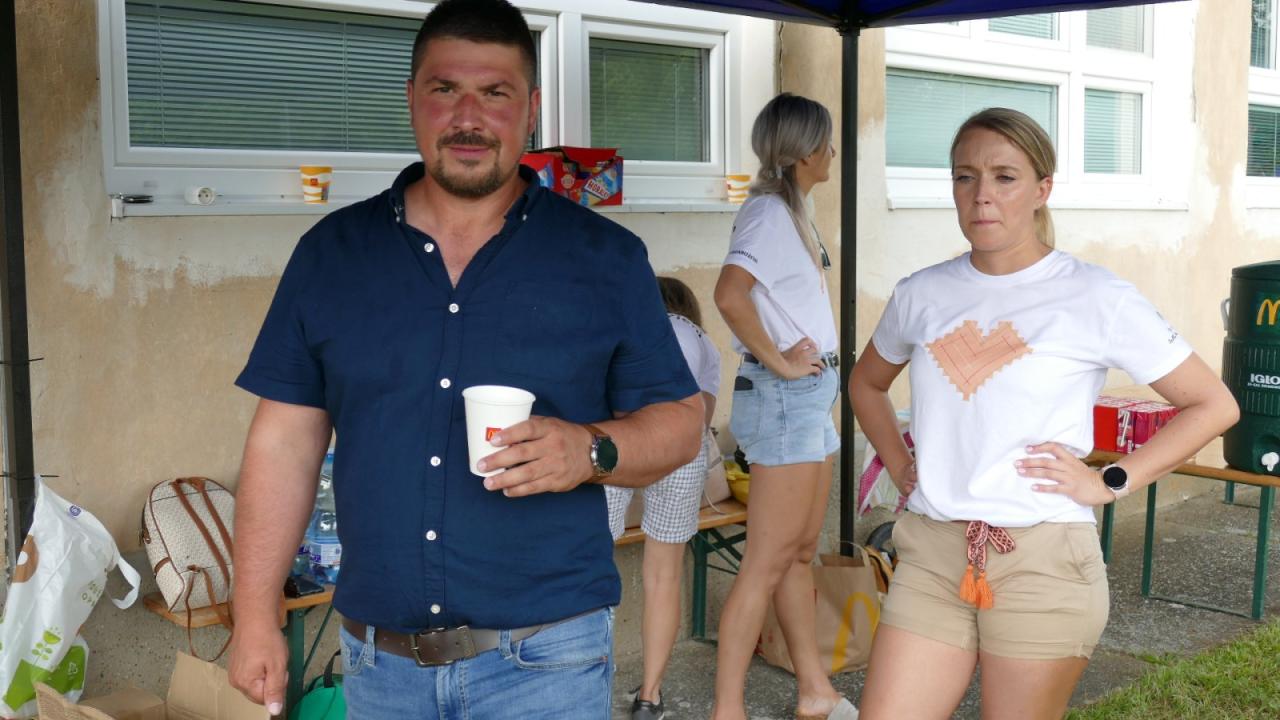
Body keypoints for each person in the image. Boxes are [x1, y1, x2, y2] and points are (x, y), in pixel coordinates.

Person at [225, 1, 704, 717]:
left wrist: (589, 451)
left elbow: (681, 422)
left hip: (546, 664)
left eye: (495, 93)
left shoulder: (604, 258)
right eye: (445, 89)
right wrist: (254, 613)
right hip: (380, 667)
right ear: (412, 100)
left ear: (531, 109)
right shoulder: (332, 256)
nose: (468, 118)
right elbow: (283, 442)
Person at [849, 107, 1239, 720]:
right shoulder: (919, 294)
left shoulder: (1095, 295)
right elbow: (866, 384)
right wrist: (899, 464)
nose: (982, 195)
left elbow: (1213, 404)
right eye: (965, 177)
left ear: (1042, 189)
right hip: (932, 552)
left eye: (1004, 177)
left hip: (1044, 560)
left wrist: (1109, 481)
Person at [711, 93, 856, 720]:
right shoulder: (769, 213)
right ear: (803, 152)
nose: (833, 151)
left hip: (807, 396)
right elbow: (729, 294)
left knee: (798, 553)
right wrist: (779, 361)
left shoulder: (792, 209)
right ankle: (727, 710)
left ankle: (815, 691)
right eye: (825, 142)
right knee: (767, 561)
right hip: (785, 399)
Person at [604, 276, 721, 720]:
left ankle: (594, 681)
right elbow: (702, 421)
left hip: (619, 441)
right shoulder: (705, 345)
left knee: (594, 564)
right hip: (681, 452)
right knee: (664, 576)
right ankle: (649, 697)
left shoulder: (629, 324)